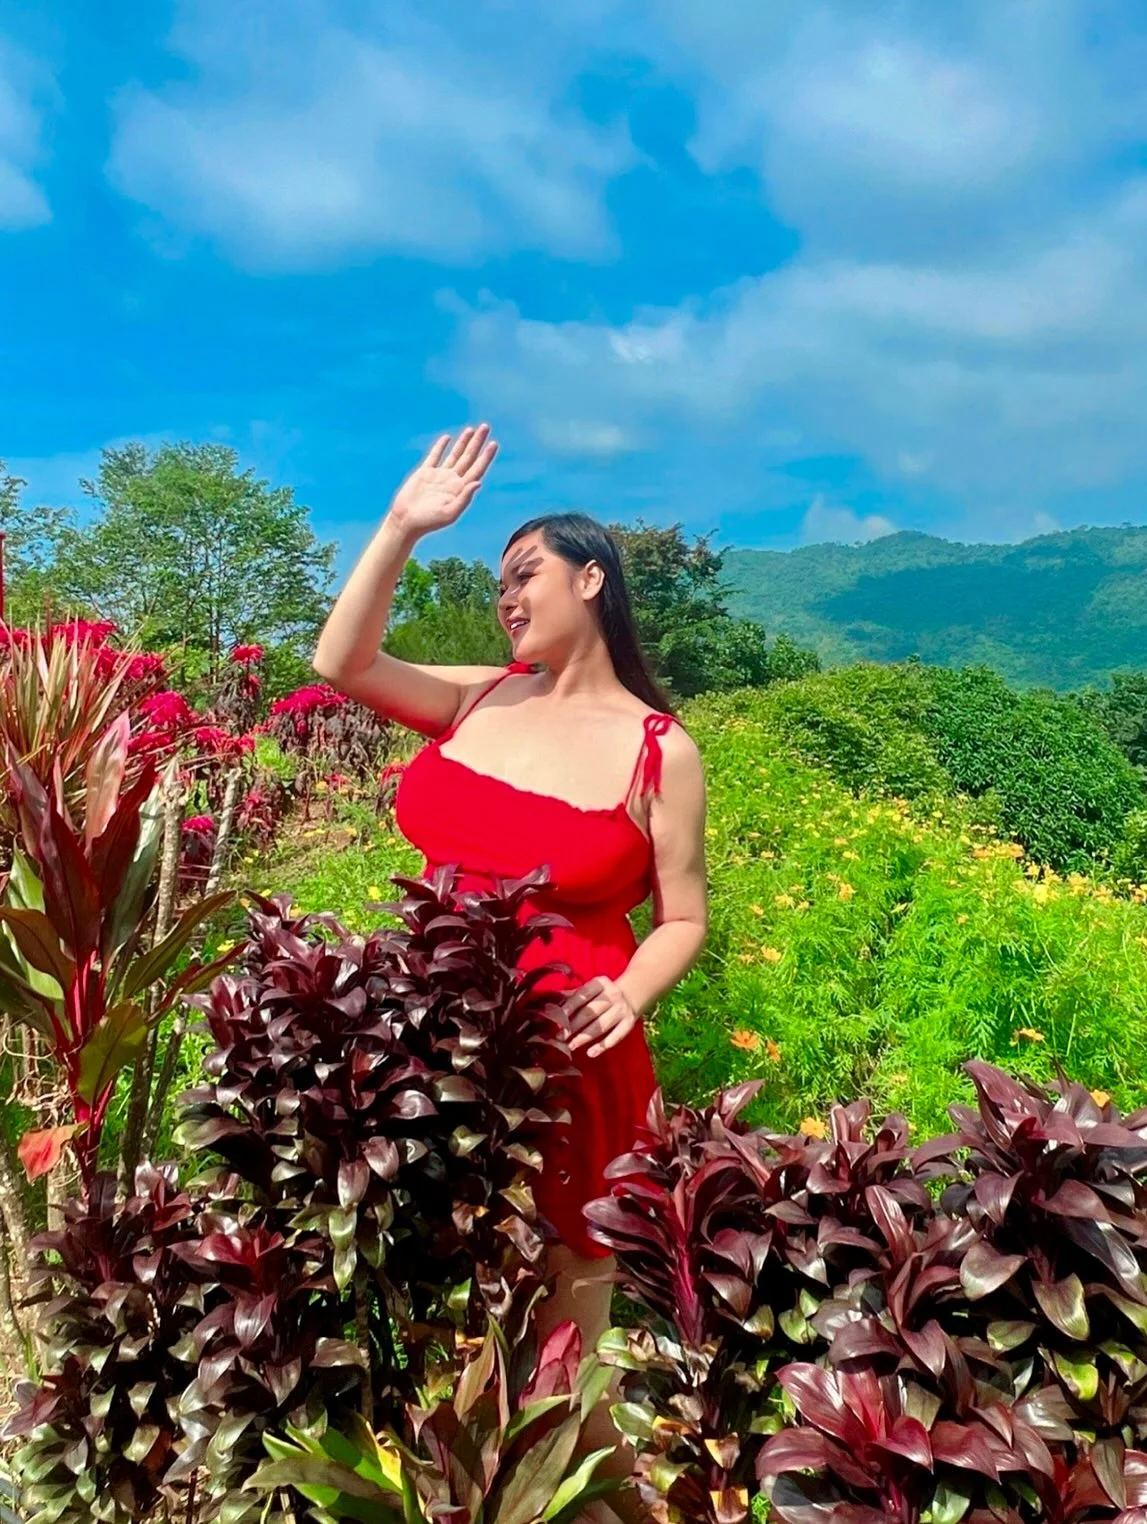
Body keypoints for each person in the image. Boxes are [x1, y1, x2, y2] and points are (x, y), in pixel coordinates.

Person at [312, 423, 708, 1523]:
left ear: (592, 578)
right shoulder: (479, 697)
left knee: (561, 1337)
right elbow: (340, 663)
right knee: (434, 1311)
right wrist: (401, 526)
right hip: (426, 1043)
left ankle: (595, 1503)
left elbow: (682, 918)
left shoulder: (659, 749)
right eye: (497, 584)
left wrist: (629, 993)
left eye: (524, 573)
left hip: (569, 1055)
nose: (506, 599)